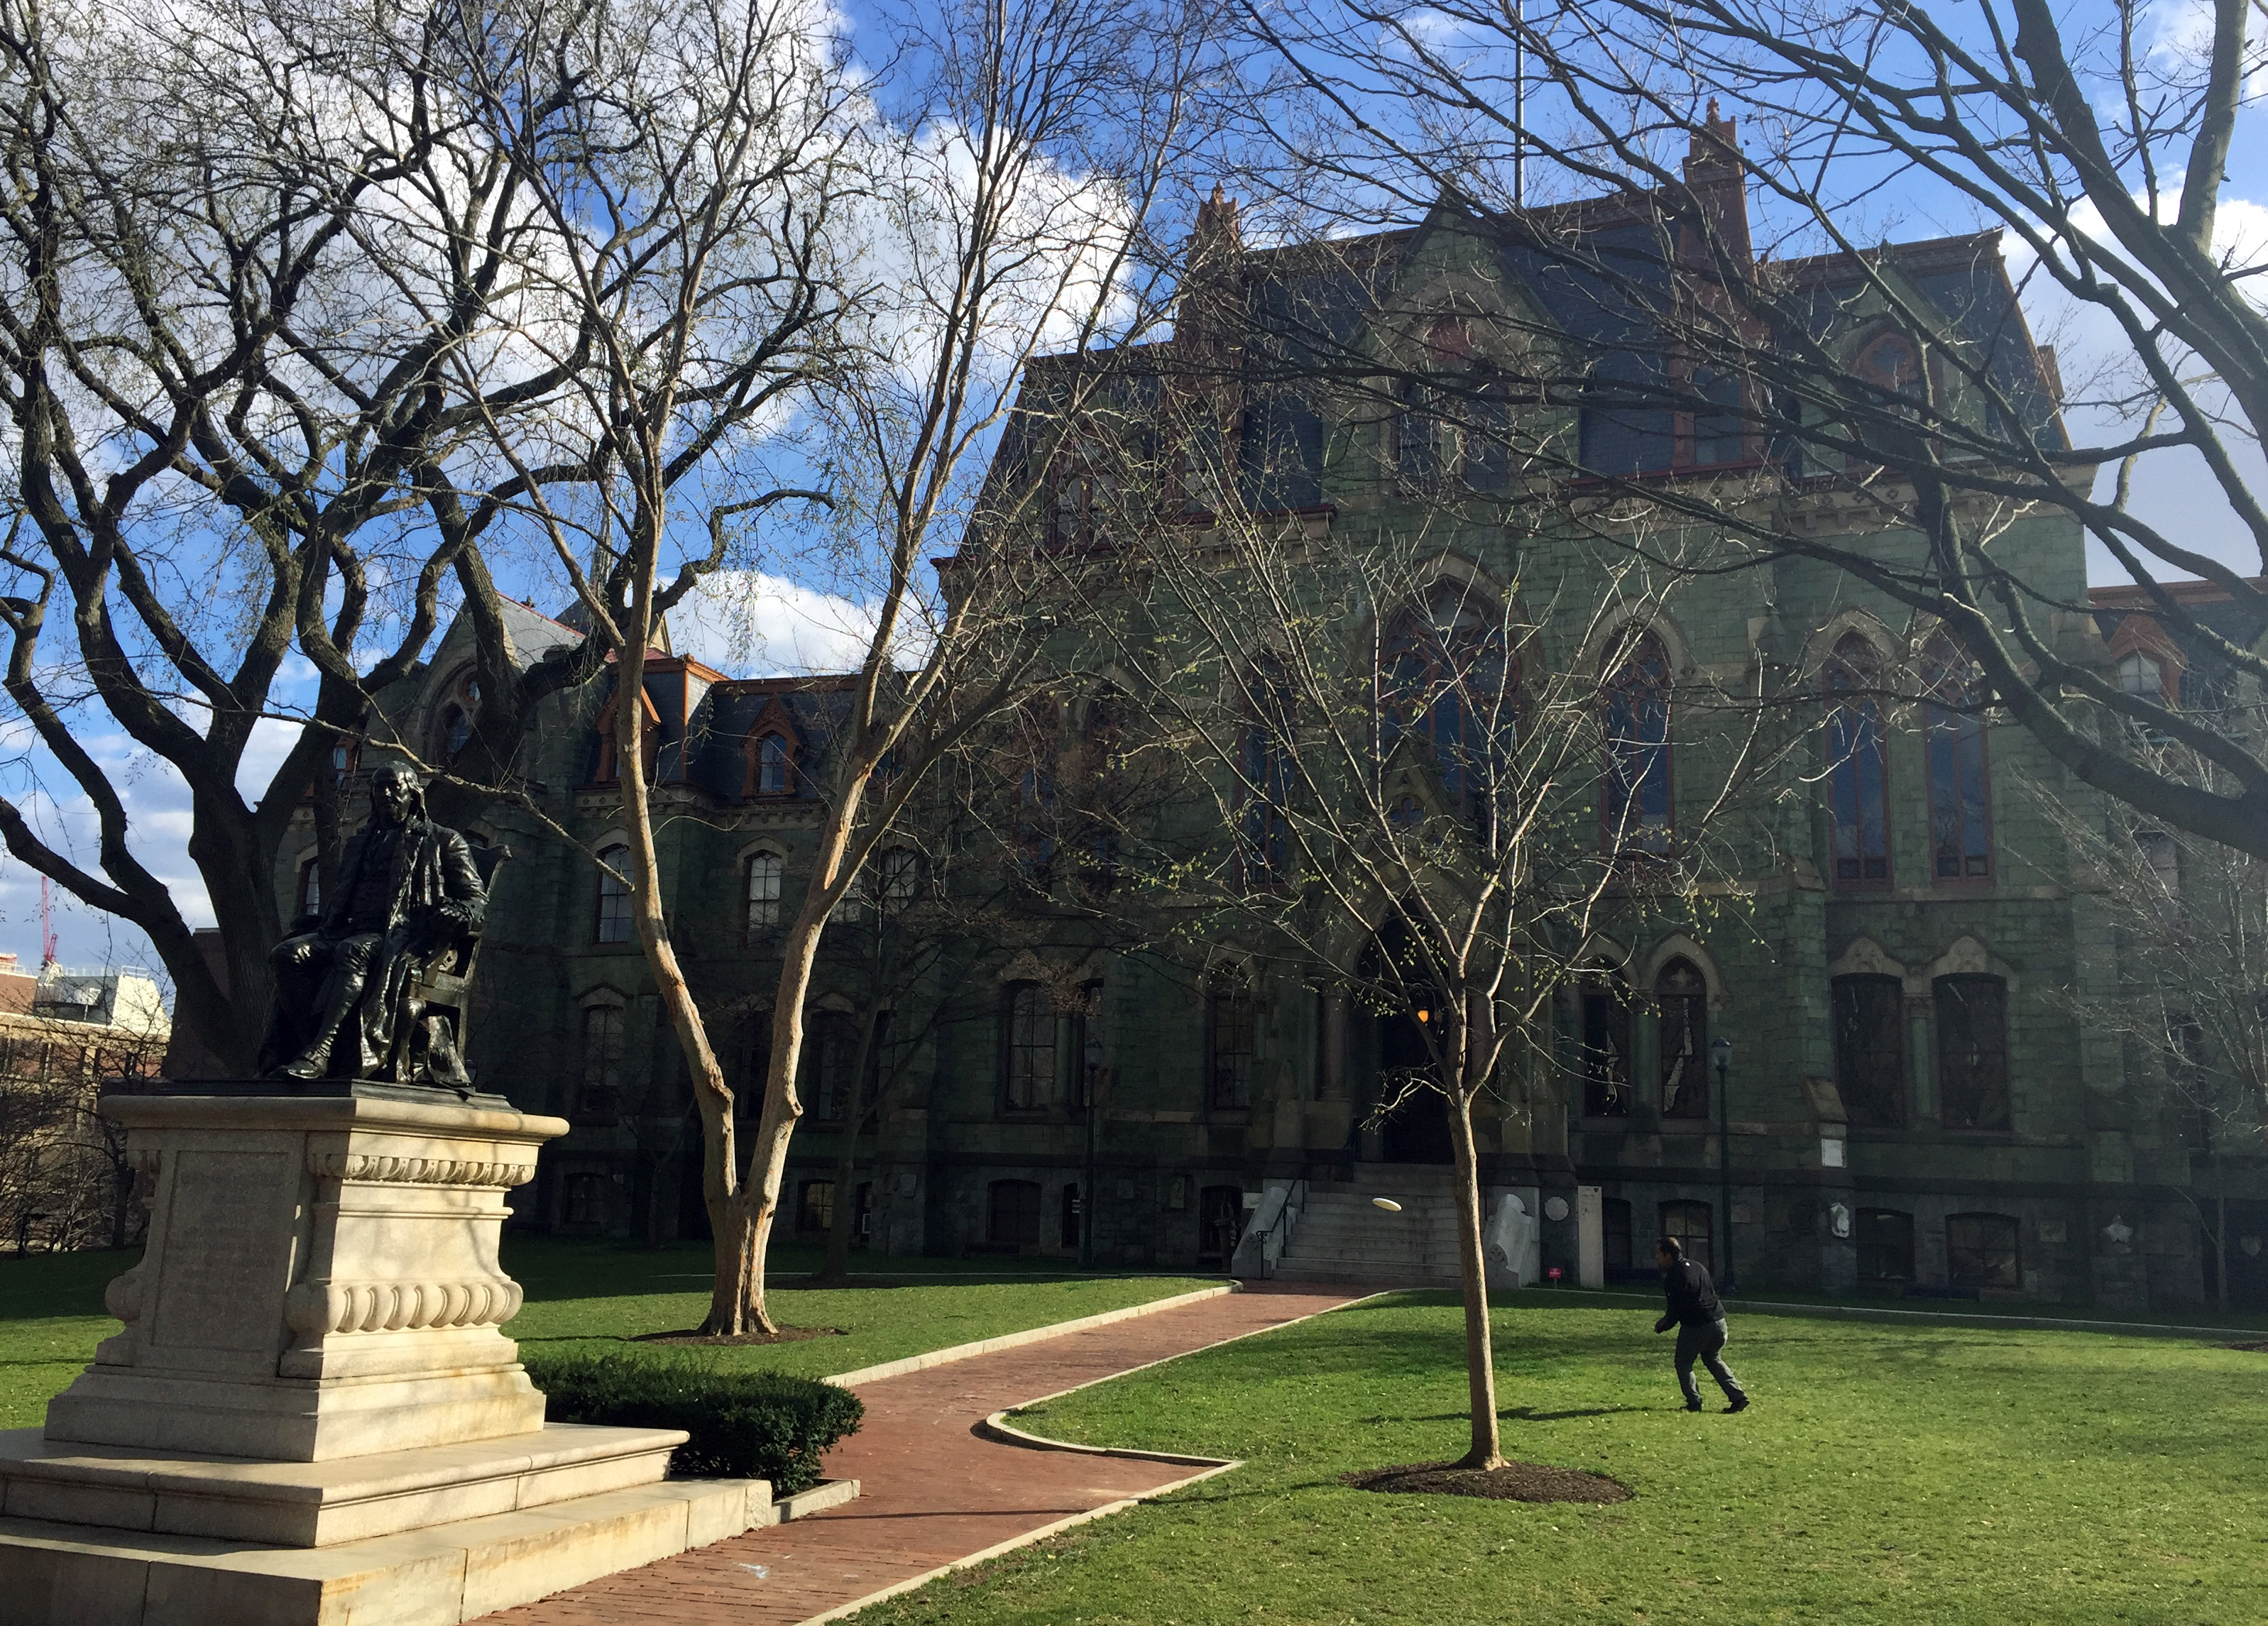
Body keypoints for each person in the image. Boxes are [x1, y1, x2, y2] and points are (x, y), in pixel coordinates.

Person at [263, 763, 487, 1082]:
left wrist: (460, 912)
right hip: (343, 930)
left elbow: (476, 900)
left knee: (352, 951)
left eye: (394, 787)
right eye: (379, 787)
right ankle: (310, 1041)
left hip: (402, 936)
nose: (385, 793)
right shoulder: (360, 843)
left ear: (414, 794)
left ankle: (322, 1052)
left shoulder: (444, 841)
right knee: (287, 954)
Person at [1653, 1235, 1749, 1413]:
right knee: (1713, 1358)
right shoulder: (1697, 1266)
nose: (1656, 1257)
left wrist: (1663, 1325)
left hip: (1697, 1325)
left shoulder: (1674, 1276)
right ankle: (1738, 1397)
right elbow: (1710, 1291)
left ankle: (1694, 1401)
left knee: (1683, 1362)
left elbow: (1676, 1308)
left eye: (1659, 1253)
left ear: (1668, 1255)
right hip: (1719, 1321)